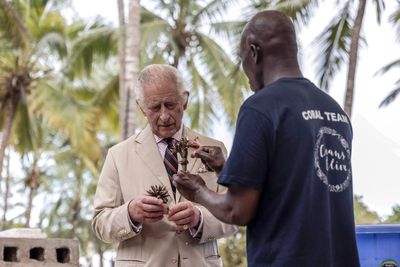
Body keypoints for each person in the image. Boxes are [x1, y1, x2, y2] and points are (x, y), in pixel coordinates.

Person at [173, 10, 360, 267]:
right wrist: (226, 169)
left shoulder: (260, 108)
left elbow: (237, 209)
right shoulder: (335, 112)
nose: (245, 72)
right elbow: (294, 186)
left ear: (254, 52)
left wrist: (198, 190)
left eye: (242, 59)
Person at [92, 64, 236, 267]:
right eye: (154, 107)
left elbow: (234, 215)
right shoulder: (118, 155)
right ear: (142, 107)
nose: (164, 116)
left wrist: (199, 218)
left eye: (170, 105)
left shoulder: (214, 148)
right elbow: (100, 224)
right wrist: (131, 213)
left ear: (184, 100)